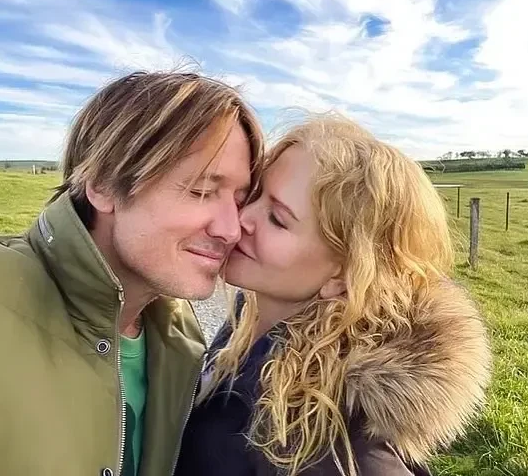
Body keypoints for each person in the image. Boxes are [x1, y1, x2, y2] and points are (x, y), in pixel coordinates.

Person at [0, 71, 265, 476]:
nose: (230, 229)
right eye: (201, 191)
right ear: (104, 184)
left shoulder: (183, 348)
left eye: (239, 200)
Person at [176, 114, 492, 476]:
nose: (242, 218)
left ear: (343, 275)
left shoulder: (325, 434)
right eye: (254, 194)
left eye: (277, 219)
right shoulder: (248, 328)